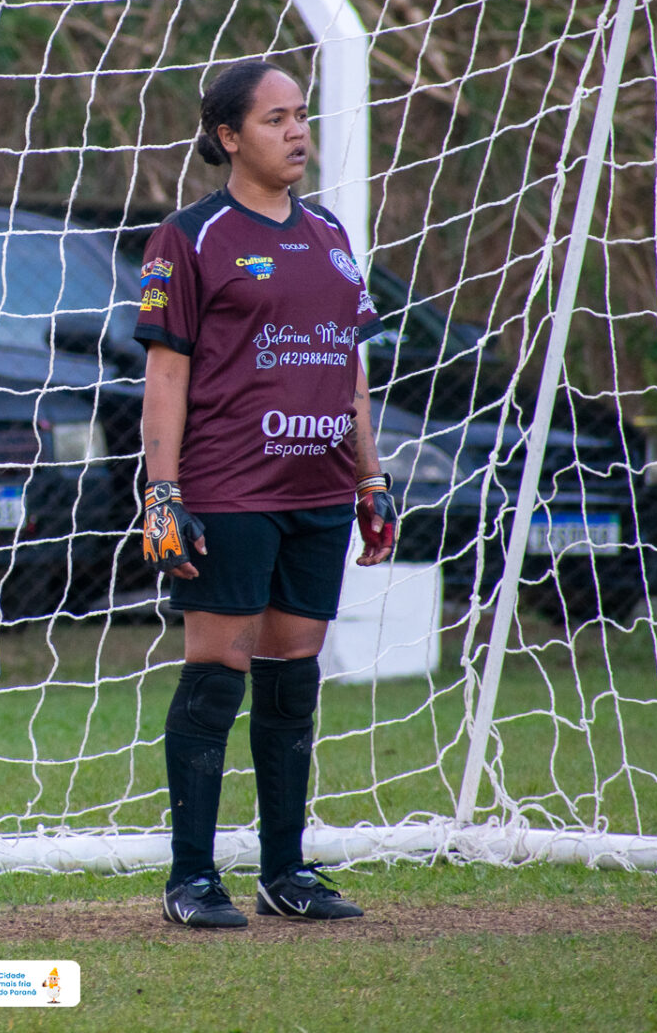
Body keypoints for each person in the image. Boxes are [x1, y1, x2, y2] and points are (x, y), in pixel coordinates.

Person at [133, 58, 398, 929]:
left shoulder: (329, 235)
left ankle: (285, 872)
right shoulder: (191, 237)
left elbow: (348, 367)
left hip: (317, 491)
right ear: (228, 136)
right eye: (276, 118)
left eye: (301, 115)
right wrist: (162, 493)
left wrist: (370, 475)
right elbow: (165, 377)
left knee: (294, 681)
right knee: (217, 676)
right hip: (229, 489)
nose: (297, 131)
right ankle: (190, 880)